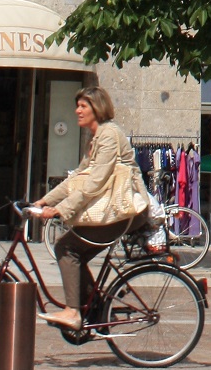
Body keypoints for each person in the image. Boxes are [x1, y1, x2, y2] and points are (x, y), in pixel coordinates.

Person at [31, 88, 139, 332]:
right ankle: (95, 310)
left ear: (97, 109)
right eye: (77, 105)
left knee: (66, 248)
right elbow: (77, 178)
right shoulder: (97, 138)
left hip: (120, 214)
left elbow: (95, 181)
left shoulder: (109, 135)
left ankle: (73, 312)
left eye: (83, 106)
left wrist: (61, 209)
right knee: (71, 251)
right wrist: (44, 202)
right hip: (113, 214)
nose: (77, 110)